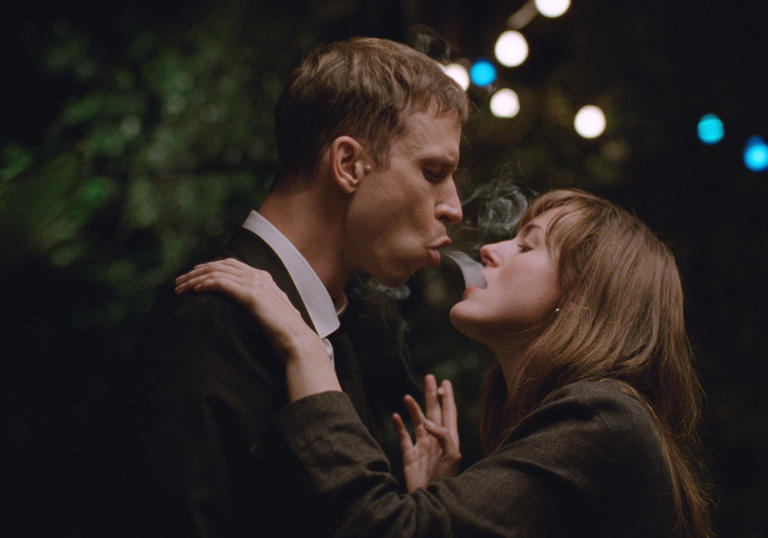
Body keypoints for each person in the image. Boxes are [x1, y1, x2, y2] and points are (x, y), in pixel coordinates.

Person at [175, 189, 713, 537]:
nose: (490, 251)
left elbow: (375, 531)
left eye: (528, 247)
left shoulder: (602, 419)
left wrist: (306, 350)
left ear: (581, 300)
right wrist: (434, 504)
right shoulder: (587, 424)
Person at [118, 37, 469, 538]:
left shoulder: (319, 328)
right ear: (349, 164)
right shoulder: (216, 318)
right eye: (434, 172)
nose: (453, 206)